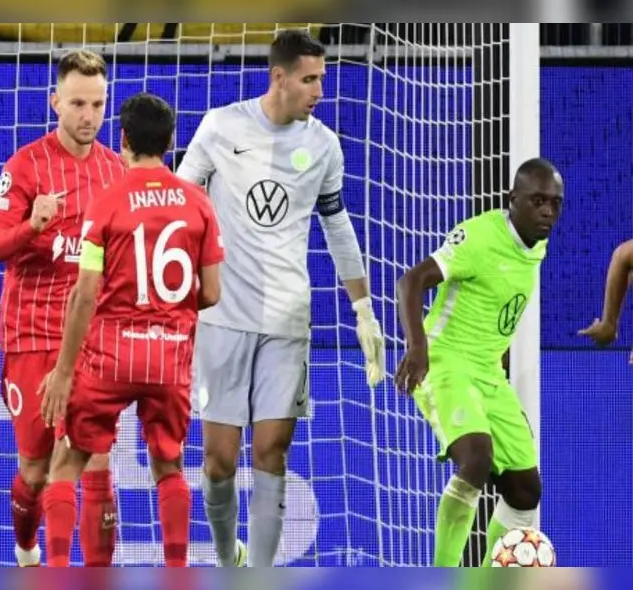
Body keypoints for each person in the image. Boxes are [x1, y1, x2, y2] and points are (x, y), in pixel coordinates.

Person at [175, 28, 385, 567]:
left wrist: (363, 308)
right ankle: (229, 558)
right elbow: (180, 206)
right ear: (280, 76)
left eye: (323, 79)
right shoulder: (222, 127)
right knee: (220, 461)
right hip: (221, 316)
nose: (319, 91)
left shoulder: (323, 146)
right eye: (310, 79)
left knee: (271, 451)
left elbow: (338, 227)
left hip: (288, 322)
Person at [39, 92, 224, 568]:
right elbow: (212, 292)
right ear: (171, 141)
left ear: (121, 139)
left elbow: (84, 293)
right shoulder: (199, 203)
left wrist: (63, 370)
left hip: (111, 355)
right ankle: (178, 572)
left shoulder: (107, 203)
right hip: (168, 357)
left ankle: (57, 573)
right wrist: (169, 311)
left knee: (67, 463)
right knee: (169, 467)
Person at [0, 49, 125, 567]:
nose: (89, 116)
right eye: (78, 104)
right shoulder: (25, 165)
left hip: (92, 342)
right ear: (55, 103)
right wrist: (33, 226)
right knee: (37, 470)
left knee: (96, 465)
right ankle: (26, 550)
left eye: (98, 104)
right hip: (32, 336)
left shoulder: (116, 172)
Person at [394, 158, 563, 567]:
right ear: (513, 201)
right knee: (476, 458)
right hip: (445, 361)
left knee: (526, 492)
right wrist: (418, 348)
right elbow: (410, 281)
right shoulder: (479, 237)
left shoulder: (536, 244)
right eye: (538, 201)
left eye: (555, 203)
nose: (547, 211)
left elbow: (496, 307)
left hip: (488, 372)